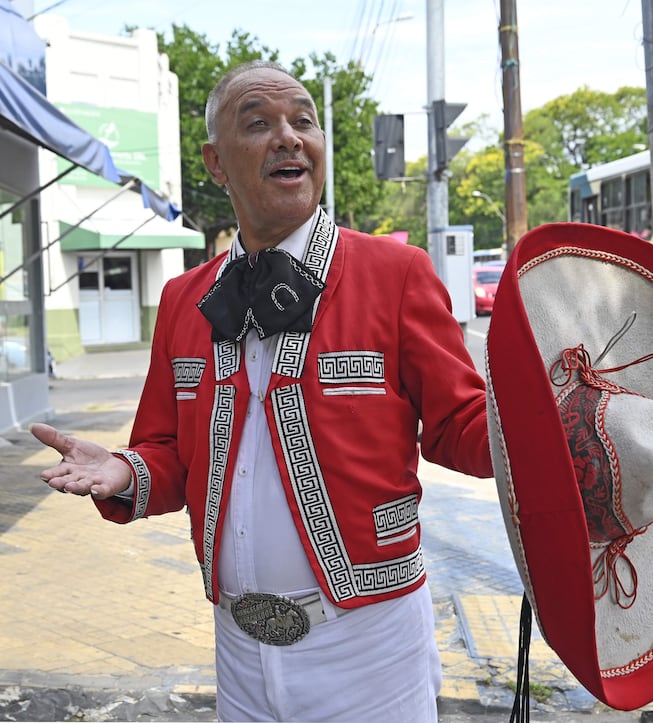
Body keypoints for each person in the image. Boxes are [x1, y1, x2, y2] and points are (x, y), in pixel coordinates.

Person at [30, 60, 493, 722]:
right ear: (216, 163)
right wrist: (124, 470)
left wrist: (539, 425)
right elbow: (169, 452)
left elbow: (462, 424)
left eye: (303, 121)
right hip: (238, 646)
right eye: (260, 123)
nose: (288, 136)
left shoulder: (396, 274)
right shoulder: (184, 298)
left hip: (368, 643)